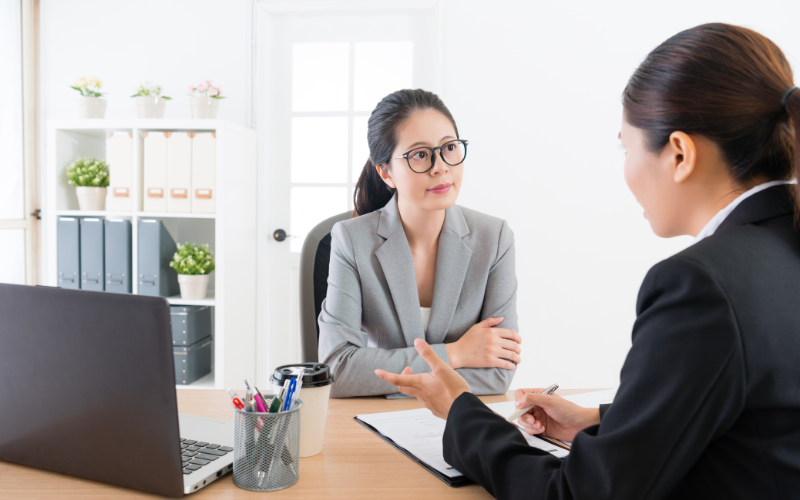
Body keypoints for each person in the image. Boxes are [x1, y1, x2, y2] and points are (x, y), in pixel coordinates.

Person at [377, 23, 800, 498]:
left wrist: (460, 410)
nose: (439, 166)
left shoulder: (700, 286)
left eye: (626, 146)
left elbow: (580, 494)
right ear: (386, 172)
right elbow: (753, 419)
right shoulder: (785, 244)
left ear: (679, 154)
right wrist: (602, 423)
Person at [317, 89, 521, 398]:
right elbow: (338, 370)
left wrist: (385, 377)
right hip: (379, 421)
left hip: (461, 423)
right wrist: (456, 354)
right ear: (386, 172)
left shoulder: (494, 238)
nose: (441, 167)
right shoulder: (351, 240)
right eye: (420, 154)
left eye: (449, 148)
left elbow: (497, 375)